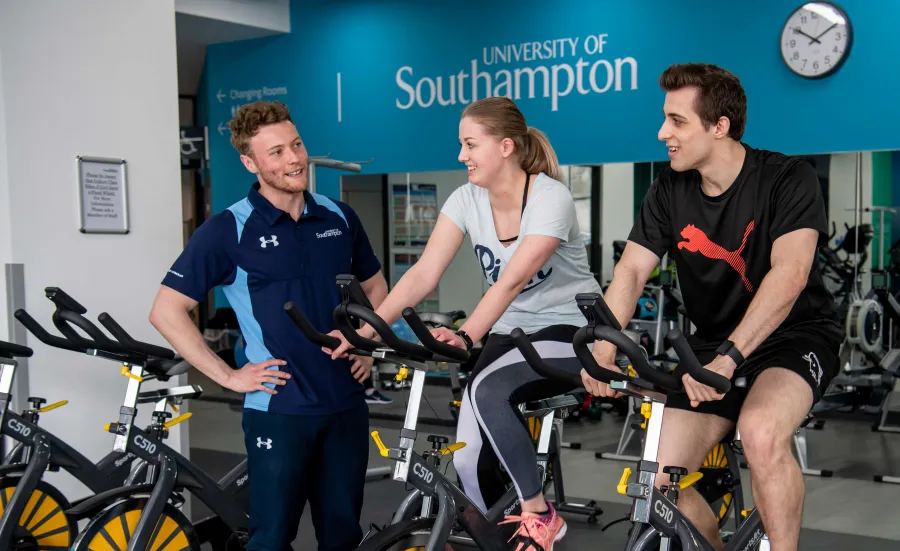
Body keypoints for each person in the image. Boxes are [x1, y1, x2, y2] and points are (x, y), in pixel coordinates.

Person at [582, 63, 843, 551]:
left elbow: (788, 276)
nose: (663, 133)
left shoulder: (787, 178)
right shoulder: (668, 189)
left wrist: (729, 357)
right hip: (710, 345)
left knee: (761, 433)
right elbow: (633, 271)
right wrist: (603, 345)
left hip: (794, 336)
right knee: (656, 479)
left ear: (719, 126)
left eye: (677, 121)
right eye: (665, 119)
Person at [328, 95, 600, 551]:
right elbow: (422, 273)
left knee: (487, 391)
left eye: (470, 144)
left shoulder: (550, 197)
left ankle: (540, 514)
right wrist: (369, 331)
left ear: (506, 147)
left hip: (568, 330)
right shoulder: (466, 199)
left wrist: (465, 333)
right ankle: (501, 537)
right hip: (509, 331)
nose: (461, 156)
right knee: (470, 457)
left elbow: (512, 281)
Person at [149, 100, 388, 551]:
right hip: (279, 410)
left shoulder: (338, 217)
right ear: (250, 162)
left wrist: (365, 342)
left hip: (345, 406)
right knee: (271, 537)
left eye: (296, 145)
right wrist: (226, 376)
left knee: (343, 536)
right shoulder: (228, 229)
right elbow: (166, 310)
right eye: (276, 152)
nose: (294, 159)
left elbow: (379, 292)